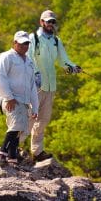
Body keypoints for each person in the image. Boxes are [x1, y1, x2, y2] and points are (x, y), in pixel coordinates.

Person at [27, 9, 81, 161]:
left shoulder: (56, 41)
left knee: (43, 120)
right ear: (41, 22)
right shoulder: (33, 39)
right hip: (36, 85)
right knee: (30, 118)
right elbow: (28, 59)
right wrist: (35, 75)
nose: (51, 24)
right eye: (48, 21)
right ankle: (14, 149)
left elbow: (64, 60)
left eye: (53, 22)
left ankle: (37, 152)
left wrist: (73, 67)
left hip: (51, 85)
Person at [0, 30, 39, 164]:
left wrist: (35, 107)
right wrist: (8, 97)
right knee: (16, 126)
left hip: (24, 101)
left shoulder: (30, 62)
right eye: (21, 44)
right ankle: (2, 154)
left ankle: (12, 157)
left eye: (26, 43)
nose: (24, 46)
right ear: (15, 43)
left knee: (21, 129)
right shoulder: (6, 57)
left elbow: (32, 86)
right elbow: (0, 77)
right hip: (11, 99)